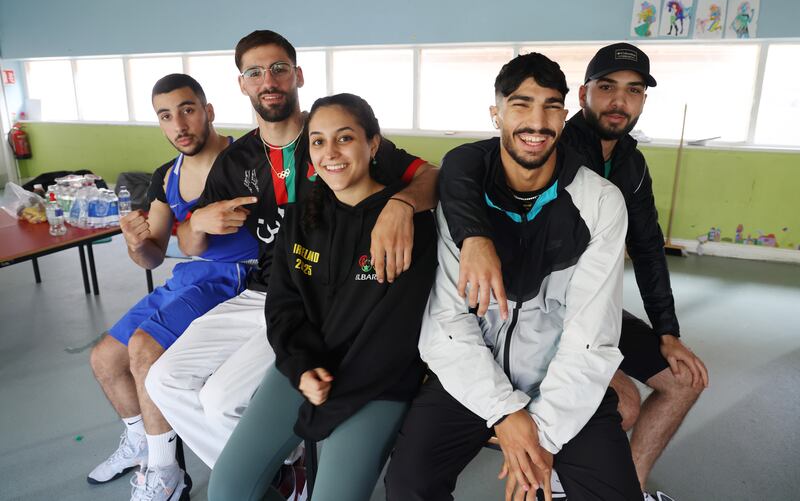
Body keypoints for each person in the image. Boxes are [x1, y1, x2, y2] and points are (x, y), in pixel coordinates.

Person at [145, 30, 437, 473]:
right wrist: (195, 225)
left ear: (298, 75)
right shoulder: (235, 160)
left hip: (317, 296)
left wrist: (401, 204)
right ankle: (281, 473)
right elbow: (188, 244)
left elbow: (431, 176)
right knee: (162, 381)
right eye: (255, 72)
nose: (269, 80)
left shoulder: (334, 133)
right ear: (242, 84)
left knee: (221, 399)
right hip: (262, 292)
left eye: (279, 68)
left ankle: (280, 466)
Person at [436, 42, 709, 499]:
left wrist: (668, 330)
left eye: (634, 90)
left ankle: (634, 484)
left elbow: (647, 247)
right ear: (581, 97)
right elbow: (464, 163)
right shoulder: (556, 143)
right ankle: (554, 475)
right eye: (607, 88)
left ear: (643, 99)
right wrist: (472, 235)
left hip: (593, 304)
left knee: (683, 382)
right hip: (537, 311)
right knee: (623, 403)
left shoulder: (631, 164)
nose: (619, 101)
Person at [385, 52, 641, 501]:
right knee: (408, 486)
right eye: (521, 105)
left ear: (565, 114)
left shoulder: (600, 202)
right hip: (473, 376)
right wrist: (506, 414)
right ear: (496, 113)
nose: (536, 122)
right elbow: (446, 324)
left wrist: (541, 438)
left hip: (559, 378)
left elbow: (591, 336)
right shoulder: (463, 202)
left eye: (550, 106)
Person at [208, 93, 438, 501]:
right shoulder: (298, 219)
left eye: (344, 138)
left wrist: (322, 413)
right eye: (318, 141)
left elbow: (395, 336)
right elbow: (283, 308)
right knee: (227, 489)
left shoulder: (408, 225)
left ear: (373, 144)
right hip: (305, 370)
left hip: (374, 382)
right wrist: (300, 368)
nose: (330, 152)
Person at [88, 74, 258, 500]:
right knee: (105, 357)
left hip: (236, 277)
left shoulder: (246, 161)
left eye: (187, 110)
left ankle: (167, 474)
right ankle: (140, 445)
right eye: (166, 116)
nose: (179, 125)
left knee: (144, 348)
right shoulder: (167, 176)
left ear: (208, 111)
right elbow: (153, 256)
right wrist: (135, 241)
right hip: (188, 278)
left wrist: (193, 228)